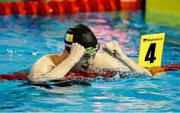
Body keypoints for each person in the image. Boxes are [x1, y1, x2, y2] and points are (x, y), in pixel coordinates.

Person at [28, 24, 151, 84]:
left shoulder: (98, 60)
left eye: (93, 54)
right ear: (67, 52)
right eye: (85, 56)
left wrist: (121, 57)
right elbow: (37, 80)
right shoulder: (46, 63)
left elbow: (146, 76)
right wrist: (72, 59)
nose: (91, 61)